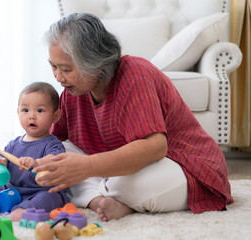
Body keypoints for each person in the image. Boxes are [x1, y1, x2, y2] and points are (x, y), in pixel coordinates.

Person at [29, 12, 234, 222]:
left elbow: (155, 147)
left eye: (65, 69)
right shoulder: (72, 91)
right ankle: (103, 200)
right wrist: (13, 173)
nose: (58, 77)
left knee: (118, 184)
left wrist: (85, 167)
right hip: (115, 168)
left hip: (182, 165)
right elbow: (49, 144)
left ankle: (102, 193)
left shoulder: (135, 73)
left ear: (95, 64)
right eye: (53, 66)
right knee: (57, 157)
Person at [0, 82, 69, 221]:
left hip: (38, 191)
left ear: (55, 116)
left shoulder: (52, 143)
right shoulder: (14, 143)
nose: (32, 116)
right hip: (12, 189)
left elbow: (56, 159)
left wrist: (37, 163)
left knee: (51, 197)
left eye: (40, 110)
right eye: (25, 110)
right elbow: (1, 155)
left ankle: (23, 211)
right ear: (18, 113)